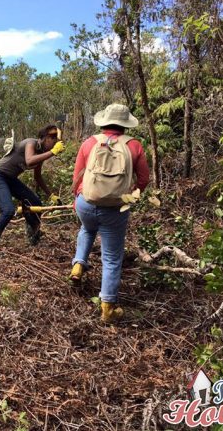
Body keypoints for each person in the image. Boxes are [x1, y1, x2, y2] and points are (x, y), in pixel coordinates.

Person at [70, 104, 150, 322]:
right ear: (125, 124)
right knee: (112, 258)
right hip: (115, 208)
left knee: (87, 229)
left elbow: (77, 175)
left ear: (104, 121)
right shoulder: (134, 146)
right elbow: (143, 180)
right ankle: (107, 307)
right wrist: (130, 197)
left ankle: (78, 265)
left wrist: (78, 199)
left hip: (86, 204)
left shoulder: (89, 143)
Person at [0, 124, 65, 257]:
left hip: (10, 178)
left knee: (35, 202)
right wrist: (52, 152)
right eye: (52, 136)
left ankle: (33, 236)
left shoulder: (41, 154)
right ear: (43, 137)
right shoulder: (30, 143)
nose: (55, 140)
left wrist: (51, 195)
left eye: (57, 137)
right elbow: (29, 159)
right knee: (8, 210)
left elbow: (37, 177)